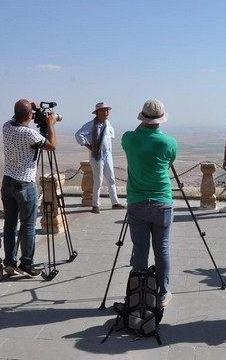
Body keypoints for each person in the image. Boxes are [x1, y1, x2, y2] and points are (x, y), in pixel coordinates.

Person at [121, 99, 177, 308]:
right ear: (161, 119)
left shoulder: (129, 139)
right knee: (162, 248)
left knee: (140, 249)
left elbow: (133, 135)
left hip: (136, 201)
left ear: (142, 118)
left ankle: (139, 294)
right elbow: (169, 163)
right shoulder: (169, 142)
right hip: (162, 200)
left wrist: (142, 124)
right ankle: (162, 293)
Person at [1, 99, 57, 277]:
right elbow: (52, 146)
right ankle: (26, 263)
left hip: (7, 182)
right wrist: (50, 124)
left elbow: (18, 115)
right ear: (29, 116)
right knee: (28, 226)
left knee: (10, 225)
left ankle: (9, 261)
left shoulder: (6, 126)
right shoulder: (29, 134)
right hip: (25, 184)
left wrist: (31, 108)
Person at [75, 102, 125, 213]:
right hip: (97, 156)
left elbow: (111, 136)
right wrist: (90, 146)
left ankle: (115, 202)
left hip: (107, 155)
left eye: (107, 110)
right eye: (104, 110)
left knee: (111, 178)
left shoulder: (107, 123)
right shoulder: (91, 125)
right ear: (98, 113)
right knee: (98, 180)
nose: (107, 112)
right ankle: (95, 205)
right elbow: (78, 134)